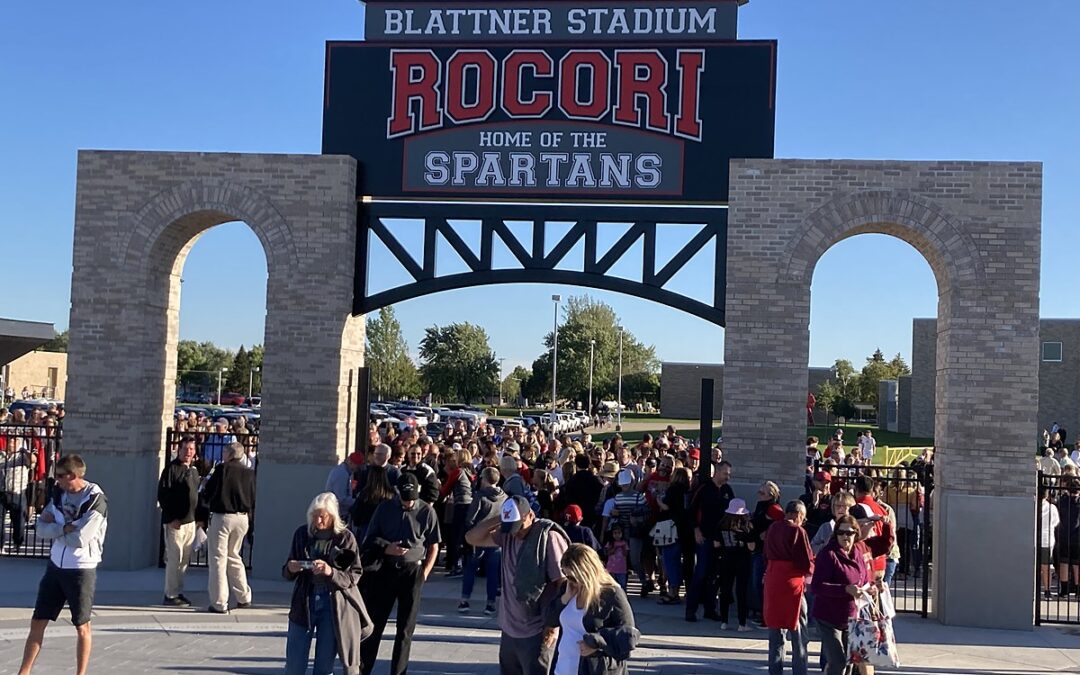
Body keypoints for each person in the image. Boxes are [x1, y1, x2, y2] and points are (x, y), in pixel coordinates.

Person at [17, 454, 107, 675]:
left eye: (59, 476)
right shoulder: (58, 493)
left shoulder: (95, 500)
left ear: (73, 476)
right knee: (38, 620)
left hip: (81, 568)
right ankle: (24, 671)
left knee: (81, 625)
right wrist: (64, 528)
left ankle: (80, 673)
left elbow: (80, 540)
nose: (55, 481)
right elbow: (40, 527)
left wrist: (56, 528)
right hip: (55, 565)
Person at [466, 494, 569, 675]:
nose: (516, 532)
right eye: (511, 527)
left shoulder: (549, 538)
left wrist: (553, 625)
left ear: (530, 515)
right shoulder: (507, 534)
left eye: (519, 526)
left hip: (537, 630)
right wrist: (502, 518)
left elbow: (564, 584)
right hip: (509, 629)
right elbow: (472, 538)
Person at [360, 473, 441, 675]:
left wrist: (424, 573)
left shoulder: (426, 511)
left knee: (405, 630)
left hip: (412, 571)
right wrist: (387, 548)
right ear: (397, 493)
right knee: (374, 625)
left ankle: (398, 672)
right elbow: (369, 538)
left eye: (411, 499)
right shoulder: (385, 508)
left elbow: (434, 546)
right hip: (385, 569)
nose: (408, 503)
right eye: (405, 499)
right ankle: (363, 669)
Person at [283, 492, 369, 675]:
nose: (318, 520)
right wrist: (292, 567)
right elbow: (287, 570)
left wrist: (331, 572)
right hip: (304, 600)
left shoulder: (345, 538)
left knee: (324, 665)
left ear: (333, 516)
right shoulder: (302, 534)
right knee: (294, 665)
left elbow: (355, 574)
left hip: (332, 603)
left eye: (322, 516)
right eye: (314, 515)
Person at [810, 514, 894, 675]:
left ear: (856, 533)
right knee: (837, 662)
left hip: (852, 617)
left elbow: (864, 576)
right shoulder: (828, 554)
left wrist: (872, 587)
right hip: (828, 617)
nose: (845, 537)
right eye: (841, 533)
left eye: (849, 533)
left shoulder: (859, 550)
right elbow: (817, 586)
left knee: (851, 662)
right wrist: (845, 589)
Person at [545, 543, 640, 675]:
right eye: (566, 575)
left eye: (573, 577)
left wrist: (597, 646)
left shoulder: (612, 593)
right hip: (563, 667)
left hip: (596, 669)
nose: (570, 581)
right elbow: (549, 620)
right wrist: (564, 599)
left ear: (587, 572)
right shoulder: (568, 588)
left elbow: (628, 636)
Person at [204, 441, 256, 613]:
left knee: (218, 558)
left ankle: (219, 602)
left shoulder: (222, 469)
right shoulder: (249, 473)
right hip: (242, 518)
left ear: (230, 454)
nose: (223, 454)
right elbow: (253, 496)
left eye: (225, 452)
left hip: (223, 516)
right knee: (234, 555)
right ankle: (244, 596)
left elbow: (209, 491)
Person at [763, 501, 813, 675]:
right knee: (799, 633)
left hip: (773, 579)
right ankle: (800, 672)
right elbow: (806, 561)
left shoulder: (772, 528)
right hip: (792, 583)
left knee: (775, 633)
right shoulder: (797, 531)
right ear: (799, 515)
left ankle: (775, 671)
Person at [685, 460, 735, 622]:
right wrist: (696, 530)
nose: (728, 477)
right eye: (725, 474)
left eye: (729, 474)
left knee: (714, 576)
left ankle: (710, 608)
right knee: (700, 574)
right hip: (705, 538)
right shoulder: (704, 489)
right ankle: (691, 610)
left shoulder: (728, 491)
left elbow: (733, 513)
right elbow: (691, 510)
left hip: (721, 540)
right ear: (717, 472)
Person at [158, 435, 200, 606]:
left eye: (191, 449)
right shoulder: (171, 470)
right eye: (185, 449)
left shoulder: (194, 471)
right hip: (175, 523)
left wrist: (199, 520)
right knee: (174, 558)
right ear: (179, 449)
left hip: (190, 522)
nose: (188, 452)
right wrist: (172, 518)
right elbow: (163, 495)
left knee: (184, 560)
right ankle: (170, 594)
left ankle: (178, 591)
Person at [461, 467, 506, 615]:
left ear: (484, 479)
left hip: (478, 538)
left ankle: (465, 600)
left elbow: (470, 518)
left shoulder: (480, 496)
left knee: (470, 569)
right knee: (493, 572)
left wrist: (469, 531)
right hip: (495, 539)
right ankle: (490, 603)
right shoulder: (504, 497)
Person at [716, 497, 753, 631]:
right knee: (741, 591)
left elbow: (716, 544)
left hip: (726, 558)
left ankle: (724, 622)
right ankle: (742, 623)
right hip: (743, 560)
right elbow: (751, 547)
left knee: (725, 590)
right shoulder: (747, 527)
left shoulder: (722, 525)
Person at [348, 465, 394, 545]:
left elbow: (356, 517)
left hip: (366, 532)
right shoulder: (391, 495)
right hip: (386, 534)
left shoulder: (365, 495)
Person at [326, 452, 364, 520]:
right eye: (357, 466)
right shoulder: (341, 474)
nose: (358, 469)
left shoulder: (346, 472)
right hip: (337, 515)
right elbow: (341, 499)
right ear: (350, 462)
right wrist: (358, 501)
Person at [1040, 487, 1060, 598]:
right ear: (1047, 495)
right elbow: (1056, 522)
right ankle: (1047, 590)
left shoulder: (1033, 506)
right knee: (1046, 567)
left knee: (1033, 566)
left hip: (1034, 539)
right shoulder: (1052, 508)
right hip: (1047, 539)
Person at [605, 525, 630, 590]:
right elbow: (608, 553)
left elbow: (626, 554)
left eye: (619, 533)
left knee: (622, 584)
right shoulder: (610, 543)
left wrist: (623, 547)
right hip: (611, 568)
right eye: (615, 533)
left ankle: (623, 596)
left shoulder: (624, 543)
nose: (617, 535)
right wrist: (615, 548)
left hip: (621, 568)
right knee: (611, 584)